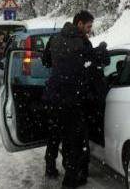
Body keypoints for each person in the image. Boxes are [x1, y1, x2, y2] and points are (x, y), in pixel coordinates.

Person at [43, 10, 100, 187]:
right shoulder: (82, 43)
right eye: (89, 26)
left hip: (53, 96)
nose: (90, 30)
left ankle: (50, 167)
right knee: (73, 140)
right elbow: (90, 69)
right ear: (79, 24)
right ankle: (71, 179)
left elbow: (46, 61)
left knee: (54, 134)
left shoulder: (55, 39)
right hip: (72, 99)